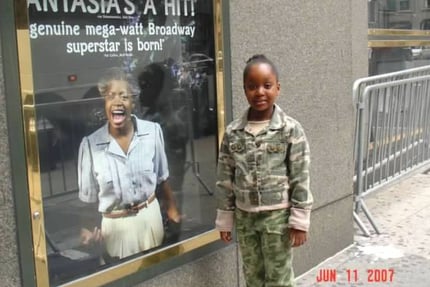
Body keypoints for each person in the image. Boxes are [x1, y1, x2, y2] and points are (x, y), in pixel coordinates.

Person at [215, 54, 313, 287]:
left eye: (266, 85)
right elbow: (225, 178)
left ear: (277, 88)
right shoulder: (233, 132)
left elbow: (300, 175)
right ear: (244, 90)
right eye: (252, 86)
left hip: (277, 220)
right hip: (245, 218)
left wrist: (299, 221)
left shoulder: (290, 129)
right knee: (253, 277)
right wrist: (225, 219)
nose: (259, 92)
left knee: (278, 279)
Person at [77, 67, 180, 261]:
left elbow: (163, 180)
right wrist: (88, 231)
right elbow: (87, 203)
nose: (117, 102)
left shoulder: (152, 132)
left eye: (124, 97)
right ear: (104, 103)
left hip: (151, 220)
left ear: (133, 102)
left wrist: (173, 214)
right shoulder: (90, 145)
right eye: (111, 96)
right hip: (115, 229)